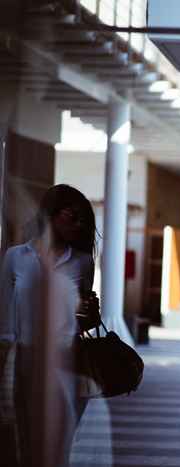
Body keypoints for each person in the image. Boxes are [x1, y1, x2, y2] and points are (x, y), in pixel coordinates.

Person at [0, 184, 99, 467]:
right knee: (25, 446)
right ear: (51, 215)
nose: (79, 225)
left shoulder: (81, 262)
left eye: (83, 220)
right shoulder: (15, 257)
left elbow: (84, 322)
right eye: (72, 216)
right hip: (24, 361)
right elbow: (5, 321)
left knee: (58, 450)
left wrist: (91, 313)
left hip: (66, 361)